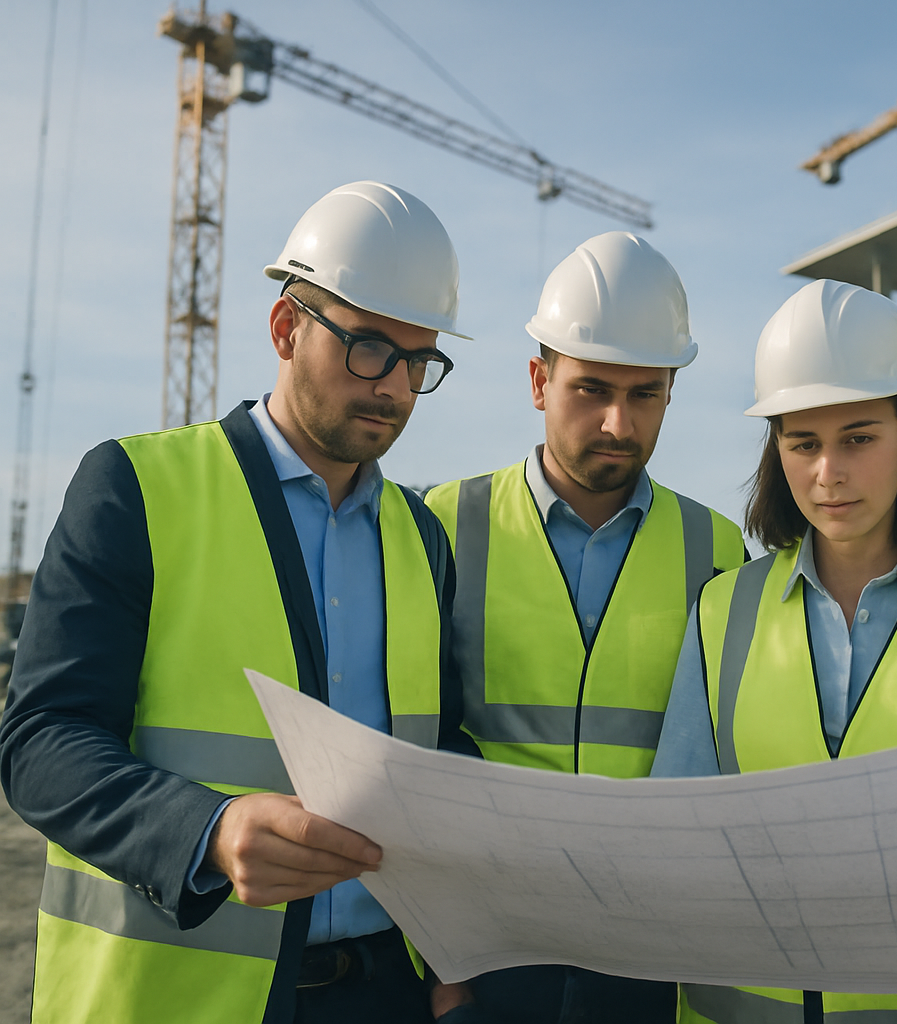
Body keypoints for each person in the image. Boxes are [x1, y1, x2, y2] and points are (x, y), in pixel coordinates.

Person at [0, 181, 482, 1024]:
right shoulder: (137, 488)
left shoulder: (421, 536)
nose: (394, 387)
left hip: (383, 992)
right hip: (175, 997)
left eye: (418, 360)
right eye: (368, 347)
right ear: (286, 328)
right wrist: (206, 831)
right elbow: (40, 743)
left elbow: (430, 753)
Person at [651, 278, 897, 1024]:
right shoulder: (720, 613)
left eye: (858, 439)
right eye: (802, 443)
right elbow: (680, 838)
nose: (827, 473)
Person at [424, 231, 745, 1023]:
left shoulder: (719, 549)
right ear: (539, 380)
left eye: (645, 394)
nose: (616, 422)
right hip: (482, 952)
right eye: (590, 389)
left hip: (645, 957)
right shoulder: (439, 524)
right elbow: (411, 747)